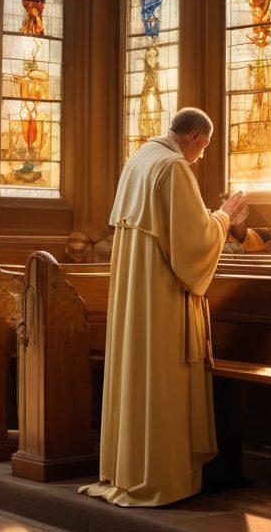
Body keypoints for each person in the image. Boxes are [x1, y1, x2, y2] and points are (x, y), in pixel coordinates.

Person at [83, 107, 247, 508]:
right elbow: (193, 243)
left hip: (137, 295)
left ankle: (128, 469)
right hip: (161, 301)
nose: (201, 156)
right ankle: (160, 475)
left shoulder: (140, 158)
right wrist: (224, 217)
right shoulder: (173, 167)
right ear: (192, 136)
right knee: (160, 376)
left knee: (137, 375)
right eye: (204, 146)